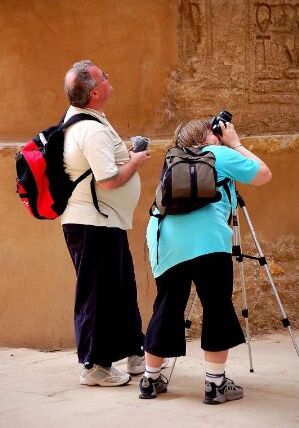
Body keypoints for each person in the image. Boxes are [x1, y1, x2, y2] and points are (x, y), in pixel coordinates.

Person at [139, 118, 272, 403]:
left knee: (167, 306)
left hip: (164, 239)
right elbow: (264, 175)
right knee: (216, 307)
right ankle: (215, 385)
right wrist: (235, 143)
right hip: (208, 241)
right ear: (208, 136)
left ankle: (149, 380)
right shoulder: (220, 154)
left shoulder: (172, 159)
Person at [62, 59, 151, 387]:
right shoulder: (90, 129)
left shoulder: (85, 120)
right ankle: (94, 366)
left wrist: (125, 155)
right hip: (92, 224)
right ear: (95, 91)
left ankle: (134, 351)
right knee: (98, 294)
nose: (109, 77)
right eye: (104, 76)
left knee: (121, 288)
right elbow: (109, 181)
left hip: (103, 222)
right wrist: (136, 161)